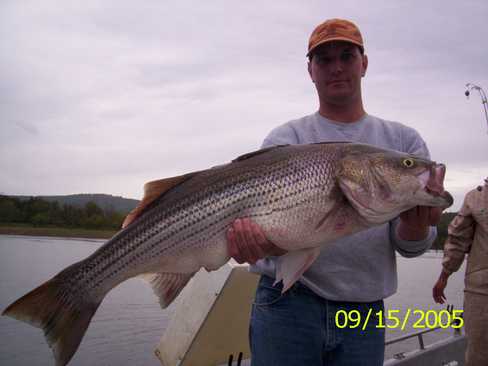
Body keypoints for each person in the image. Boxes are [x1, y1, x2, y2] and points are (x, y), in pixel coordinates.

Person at [226, 18, 443, 366]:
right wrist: (252, 244)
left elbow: (410, 246)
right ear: (310, 71)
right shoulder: (286, 139)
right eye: (324, 60)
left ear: (364, 63)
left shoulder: (403, 143)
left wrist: (416, 229)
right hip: (286, 304)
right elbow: (262, 241)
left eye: (347, 55)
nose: (336, 67)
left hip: (363, 313)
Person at [432, 178, 488, 366]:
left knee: (479, 356)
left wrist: (443, 277)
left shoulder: (477, 198)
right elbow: (457, 241)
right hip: (481, 293)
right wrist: (444, 276)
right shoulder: (476, 198)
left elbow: (457, 240)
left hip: (481, 294)